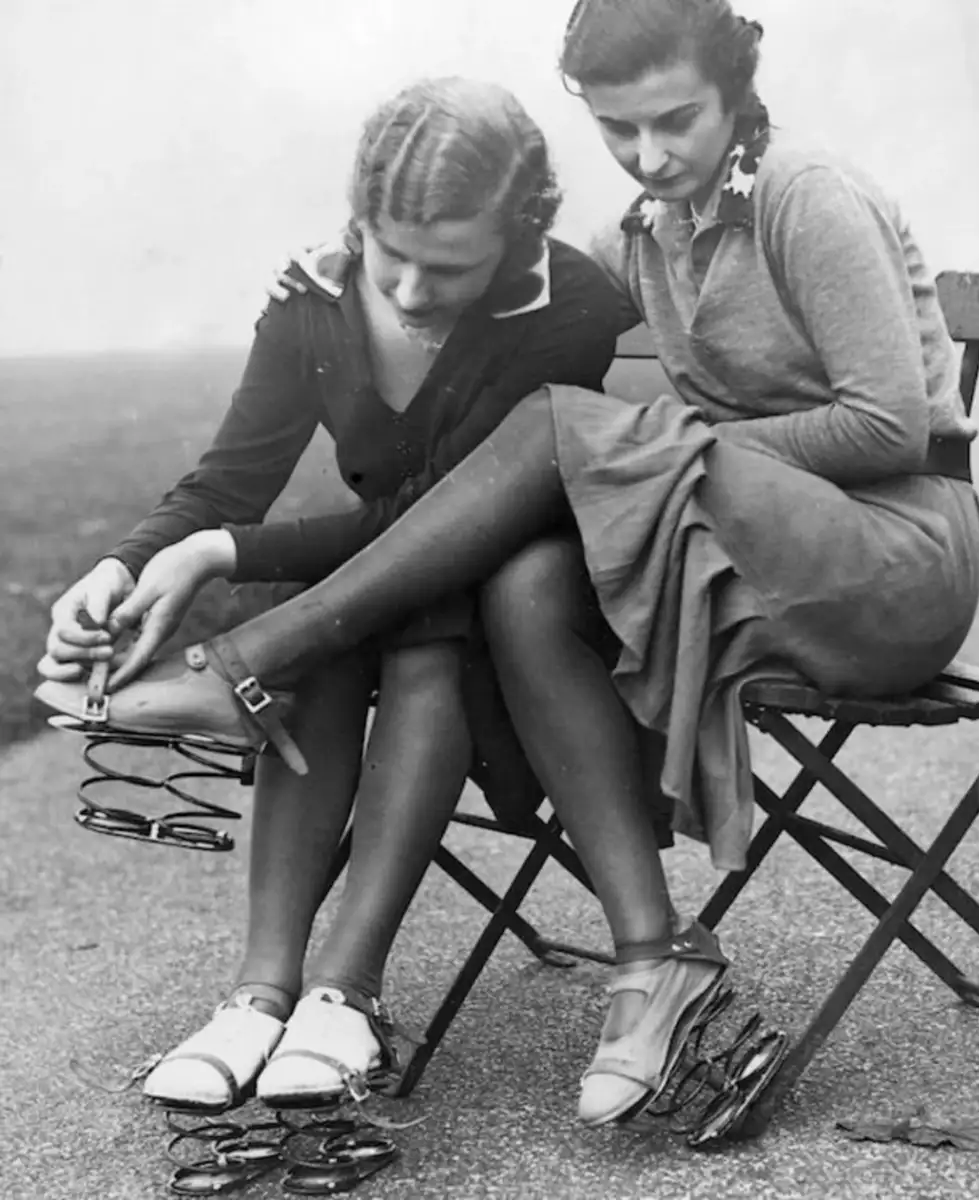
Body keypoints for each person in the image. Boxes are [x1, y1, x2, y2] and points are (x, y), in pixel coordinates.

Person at [38, 0, 979, 1130]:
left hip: (893, 559)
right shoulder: (646, 233)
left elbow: (885, 428)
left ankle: (246, 661)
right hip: (751, 561)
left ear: (736, 87)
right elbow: (518, 305)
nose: (648, 154)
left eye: (676, 119)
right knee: (524, 580)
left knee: (557, 429)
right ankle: (652, 958)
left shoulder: (803, 192)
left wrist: (654, 451)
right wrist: (337, 272)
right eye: (618, 128)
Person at [35, 77, 626, 1113]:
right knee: (367, 612)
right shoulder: (314, 296)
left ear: (520, 229)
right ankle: (262, 994)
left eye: (449, 266)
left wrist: (221, 555)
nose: (409, 290)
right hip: (374, 607)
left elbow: (447, 514)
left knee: (427, 611)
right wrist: (125, 566)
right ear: (359, 217)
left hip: (545, 615)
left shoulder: (564, 305)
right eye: (389, 252)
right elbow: (231, 478)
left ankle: (345, 988)